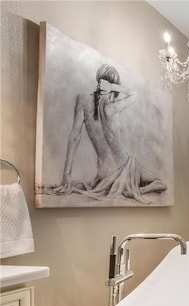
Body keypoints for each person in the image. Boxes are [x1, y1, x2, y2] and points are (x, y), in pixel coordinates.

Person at [50, 64, 166, 203]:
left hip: (104, 173)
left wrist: (66, 174)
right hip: (125, 166)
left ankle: (138, 189)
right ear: (111, 87)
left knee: (156, 182)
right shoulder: (113, 107)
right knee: (159, 183)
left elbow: (75, 137)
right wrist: (114, 87)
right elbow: (134, 94)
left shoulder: (83, 100)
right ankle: (139, 190)